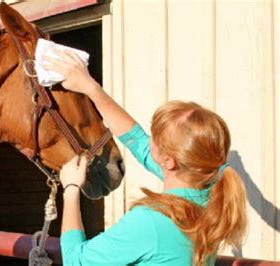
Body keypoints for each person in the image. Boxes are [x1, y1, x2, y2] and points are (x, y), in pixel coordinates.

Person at [43, 49, 247, 266]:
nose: (148, 140)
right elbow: (137, 140)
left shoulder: (150, 221)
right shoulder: (212, 191)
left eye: (155, 137)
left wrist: (72, 189)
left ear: (169, 162)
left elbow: (76, 261)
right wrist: (91, 88)